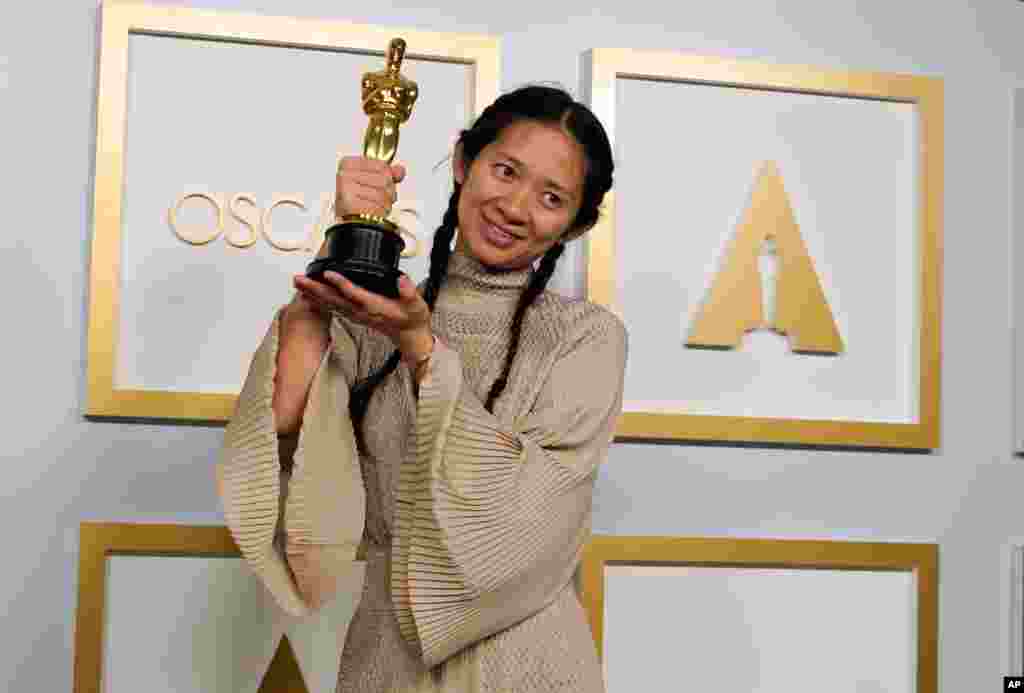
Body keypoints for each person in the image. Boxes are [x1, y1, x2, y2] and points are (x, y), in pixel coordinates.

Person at [217, 84, 627, 692]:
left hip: (528, 662)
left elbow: (526, 515)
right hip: (387, 657)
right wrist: (342, 242)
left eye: (551, 197)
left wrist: (420, 347)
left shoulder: (585, 338)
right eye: (505, 171)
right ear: (463, 163)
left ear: (577, 223)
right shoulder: (377, 313)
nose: (515, 207)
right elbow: (283, 429)